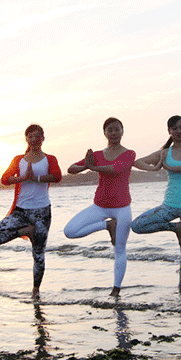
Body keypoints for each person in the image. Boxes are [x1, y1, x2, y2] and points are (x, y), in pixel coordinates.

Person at [0, 124, 62, 299]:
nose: (34, 139)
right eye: (30, 136)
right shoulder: (19, 159)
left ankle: (35, 291)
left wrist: (35, 177)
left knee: (39, 254)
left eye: (37, 136)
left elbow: (57, 176)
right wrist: (22, 178)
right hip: (20, 211)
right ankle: (26, 231)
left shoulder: (49, 159)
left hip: (42, 212)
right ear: (26, 139)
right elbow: (4, 179)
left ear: (43, 138)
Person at [63, 117, 136, 297]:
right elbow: (71, 169)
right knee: (70, 231)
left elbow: (116, 169)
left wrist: (93, 168)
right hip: (100, 206)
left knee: (119, 248)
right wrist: (85, 166)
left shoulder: (129, 154)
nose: (113, 133)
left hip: (122, 208)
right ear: (104, 133)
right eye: (110, 130)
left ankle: (116, 290)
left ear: (122, 131)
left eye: (117, 129)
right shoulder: (96, 155)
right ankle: (107, 225)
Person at [131, 115, 181, 291]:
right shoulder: (165, 153)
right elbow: (137, 162)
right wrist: (154, 168)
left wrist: (169, 167)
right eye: (175, 128)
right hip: (169, 206)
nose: (179, 131)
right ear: (169, 131)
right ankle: (174, 228)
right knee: (137, 225)